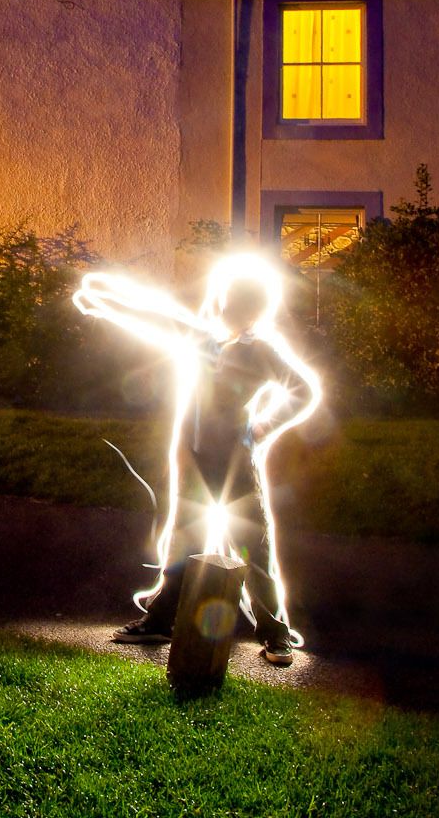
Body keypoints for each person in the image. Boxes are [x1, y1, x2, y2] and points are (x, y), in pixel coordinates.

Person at [74, 254, 322, 665]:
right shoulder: (202, 338)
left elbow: (302, 390)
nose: (223, 307)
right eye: (224, 300)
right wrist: (105, 301)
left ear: (252, 311)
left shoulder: (261, 350)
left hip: (236, 462)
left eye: (234, 303)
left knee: (250, 547)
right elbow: (153, 319)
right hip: (193, 458)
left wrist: (263, 427)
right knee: (182, 544)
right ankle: (159, 622)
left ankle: (275, 634)